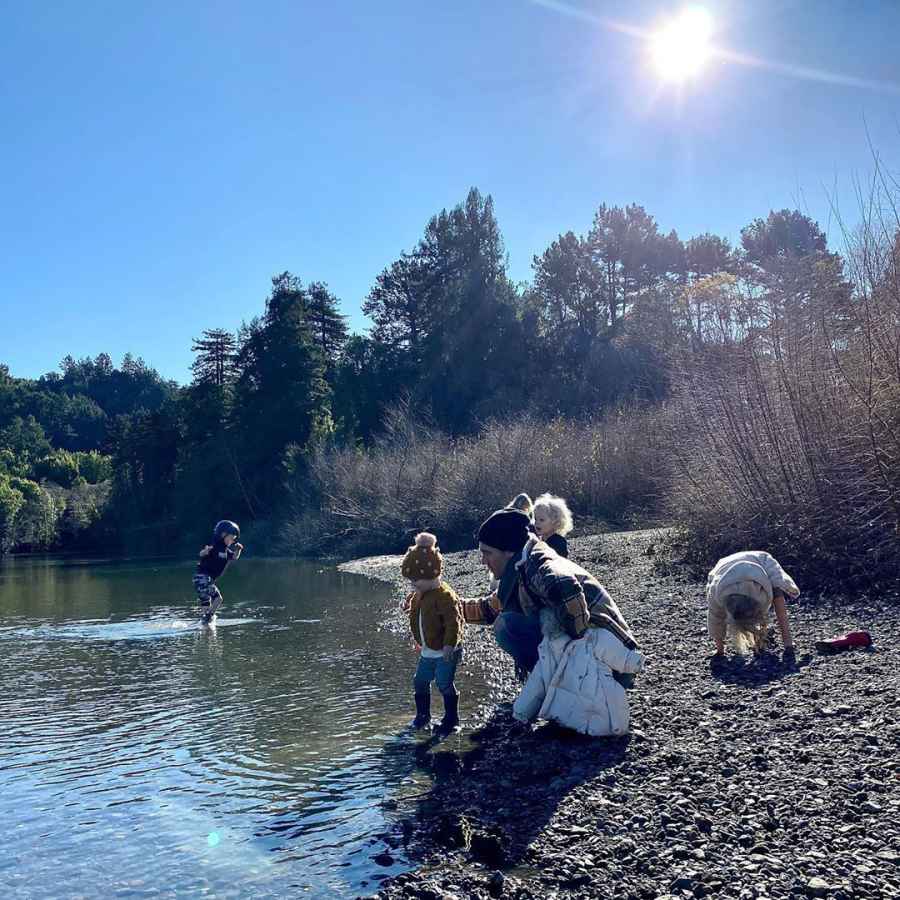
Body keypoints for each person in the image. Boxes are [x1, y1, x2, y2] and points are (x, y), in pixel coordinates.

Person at [461, 508, 634, 678]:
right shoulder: (520, 566)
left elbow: (566, 586)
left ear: (508, 551)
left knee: (507, 626)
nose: (483, 561)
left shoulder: (537, 564)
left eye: (487, 553)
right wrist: (447, 606)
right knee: (511, 620)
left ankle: (569, 681)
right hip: (604, 657)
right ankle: (557, 681)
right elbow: (489, 609)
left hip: (615, 661)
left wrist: (579, 641)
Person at [400, 532, 465, 735]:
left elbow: (454, 623)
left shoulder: (444, 596)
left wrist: (449, 645)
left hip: (446, 650)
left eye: (415, 580)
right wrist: (408, 604)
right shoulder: (420, 593)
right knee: (420, 681)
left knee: (444, 683)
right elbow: (417, 611)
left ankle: (452, 718)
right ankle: (423, 715)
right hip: (428, 649)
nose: (413, 584)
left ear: (431, 575)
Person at [706, 550, 799, 657]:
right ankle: (760, 640)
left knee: (777, 592)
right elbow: (715, 617)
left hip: (761, 561)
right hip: (722, 568)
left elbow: (779, 578)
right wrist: (720, 650)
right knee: (721, 612)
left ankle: (786, 642)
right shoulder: (715, 591)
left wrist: (790, 588)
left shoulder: (765, 573)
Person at [194, 520, 243, 623]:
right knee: (218, 599)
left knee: (206, 604)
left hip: (201, 580)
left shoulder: (226, 550)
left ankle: (205, 625)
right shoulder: (214, 546)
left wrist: (238, 550)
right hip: (203, 578)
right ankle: (208, 617)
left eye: (234, 539)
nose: (232, 541)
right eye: (231, 538)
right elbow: (201, 554)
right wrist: (205, 551)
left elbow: (234, 557)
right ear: (223, 534)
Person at [532, 493, 573, 559]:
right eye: (535, 519)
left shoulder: (558, 542)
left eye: (542, 520)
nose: (537, 523)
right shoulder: (538, 540)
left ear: (555, 521)